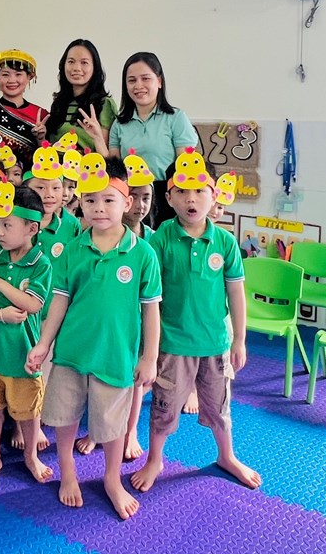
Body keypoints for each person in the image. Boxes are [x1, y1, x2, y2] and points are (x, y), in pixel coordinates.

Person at [27, 155, 161, 520]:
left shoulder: (143, 254)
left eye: (108, 199)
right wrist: (43, 344)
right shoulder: (73, 249)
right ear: (80, 202)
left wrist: (149, 357)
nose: (98, 207)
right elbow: (59, 300)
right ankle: (68, 472)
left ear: (127, 202)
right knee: (64, 416)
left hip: (116, 356)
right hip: (71, 352)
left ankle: (112, 479)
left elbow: (151, 310)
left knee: (112, 425)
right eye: (90, 200)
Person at [130, 150, 261, 492]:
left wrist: (239, 339)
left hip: (214, 343)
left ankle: (226, 455)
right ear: (169, 197)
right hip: (173, 344)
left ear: (214, 196)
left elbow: (236, 293)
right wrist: (148, 348)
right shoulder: (161, 239)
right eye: (183, 191)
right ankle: (155, 459)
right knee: (164, 407)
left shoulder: (225, 242)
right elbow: (149, 297)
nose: (191, 199)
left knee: (219, 405)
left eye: (200, 191)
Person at [75, 149, 157, 459]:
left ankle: (130, 431)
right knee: (98, 383)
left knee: (132, 382)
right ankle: (97, 432)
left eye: (146, 197)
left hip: (133, 326)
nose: (141, 204)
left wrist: (151, 353)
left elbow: (152, 300)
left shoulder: (149, 242)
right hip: (101, 327)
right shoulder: (87, 239)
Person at [0, 185, 54, 490]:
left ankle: (31, 457)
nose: (0, 232)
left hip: (23, 356)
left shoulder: (41, 263)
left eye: (7, 225)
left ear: (31, 228)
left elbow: (33, 304)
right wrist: (0, 314)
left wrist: (1, 286)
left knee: (29, 413)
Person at [108, 52, 199, 226]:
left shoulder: (176, 118)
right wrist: (98, 137)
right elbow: (115, 170)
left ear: (159, 81)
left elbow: (186, 168)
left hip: (167, 197)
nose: (138, 86)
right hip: (130, 198)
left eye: (145, 79)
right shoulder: (119, 123)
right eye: (132, 80)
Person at [0, 49, 48, 160]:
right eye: (5, 75)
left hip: (31, 171)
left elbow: (48, 159)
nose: (12, 80)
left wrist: (41, 139)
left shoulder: (41, 115)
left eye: (18, 74)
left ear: (29, 77)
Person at [44, 39, 117, 154]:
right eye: (71, 62)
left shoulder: (104, 104)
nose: (76, 68)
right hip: (54, 164)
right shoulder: (59, 102)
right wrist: (40, 137)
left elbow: (105, 155)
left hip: (87, 165)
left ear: (95, 67)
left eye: (84, 63)